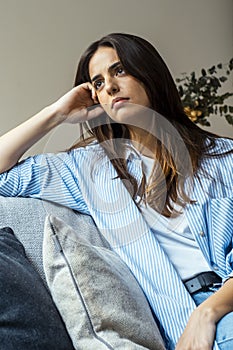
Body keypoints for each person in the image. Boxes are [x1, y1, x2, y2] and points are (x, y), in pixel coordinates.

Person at [0, 32, 232, 350]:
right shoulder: (88, 169)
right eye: (97, 82)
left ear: (148, 73)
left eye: (119, 70)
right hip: (175, 322)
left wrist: (208, 312)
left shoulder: (224, 157)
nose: (108, 86)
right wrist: (57, 113)